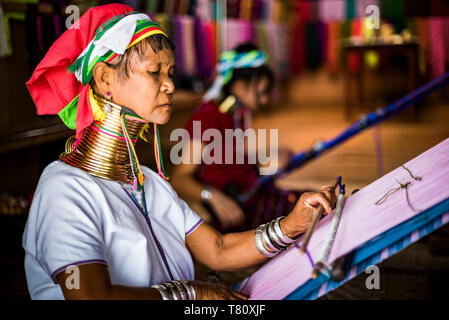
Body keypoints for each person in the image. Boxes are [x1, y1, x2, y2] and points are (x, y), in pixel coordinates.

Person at [22, 4, 336, 300]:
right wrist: (193, 293)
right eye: (154, 72)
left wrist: (292, 225)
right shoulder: (64, 189)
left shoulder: (147, 182)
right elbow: (90, 297)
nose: (170, 85)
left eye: (170, 73)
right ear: (105, 78)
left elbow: (217, 248)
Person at [170, 43, 303, 232]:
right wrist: (213, 197)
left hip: (244, 198)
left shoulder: (236, 114)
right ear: (240, 86)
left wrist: (265, 157)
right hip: (227, 212)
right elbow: (180, 178)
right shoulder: (208, 117)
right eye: (261, 92)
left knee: (308, 205)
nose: (265, 100)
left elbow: (225, 160)